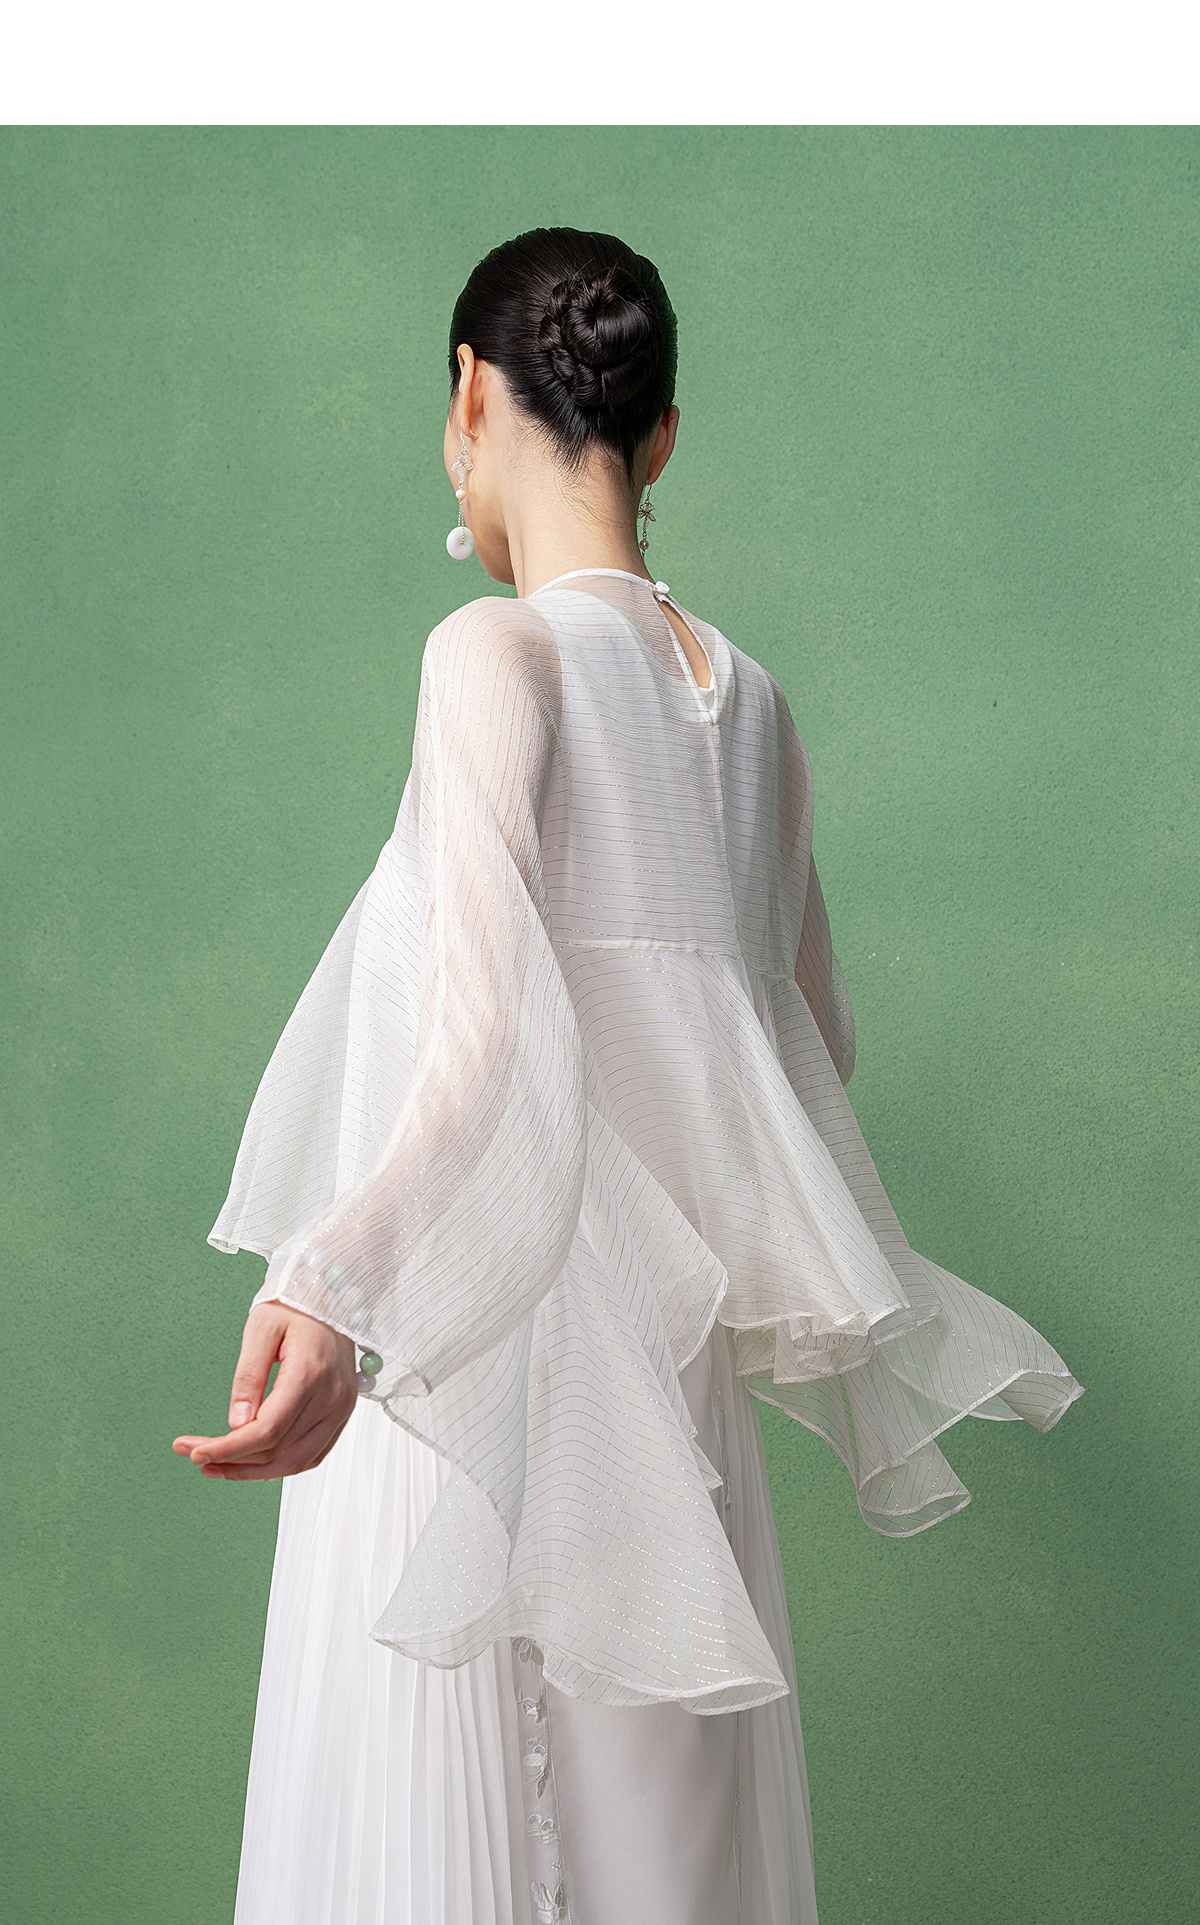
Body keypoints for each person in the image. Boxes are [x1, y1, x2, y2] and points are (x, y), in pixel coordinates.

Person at [174, 227, 1085, 1925]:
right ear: (659, 436)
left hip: (466, 1379)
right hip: (666, 1420)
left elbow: (487, 1038)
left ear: (469, 396)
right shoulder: (757, 712)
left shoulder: (491, 655)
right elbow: (812, 1052)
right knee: (668, 1872)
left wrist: (331, 1274)